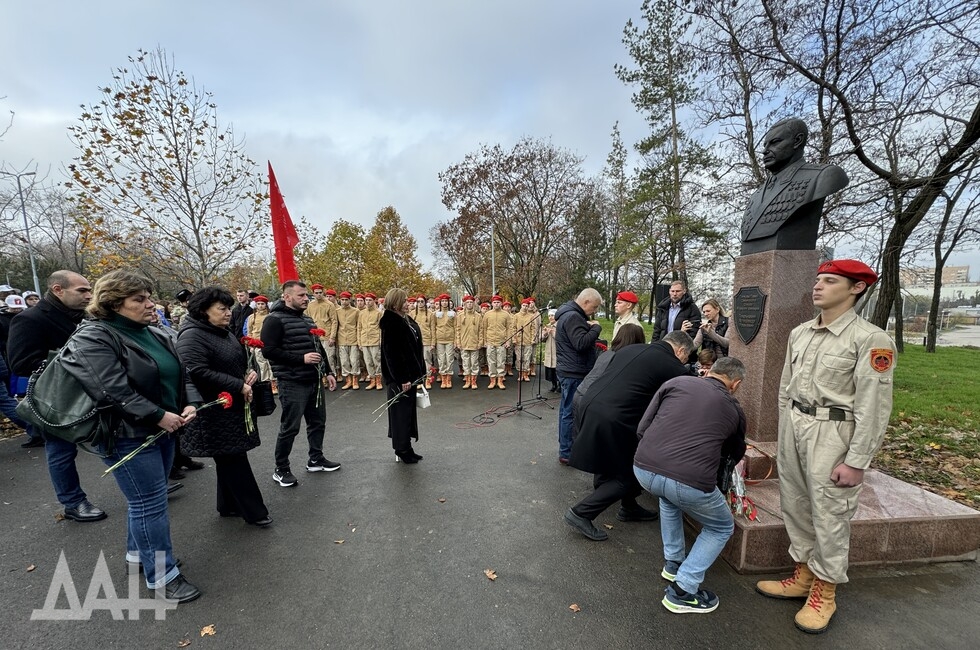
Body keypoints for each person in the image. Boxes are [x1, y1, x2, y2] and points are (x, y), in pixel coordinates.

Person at [756, 259, 894, 634]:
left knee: (830, 514)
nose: (818, 286)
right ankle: (802, 576)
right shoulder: (800, 333)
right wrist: (784, 433)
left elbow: (874, 406)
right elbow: (785, 388)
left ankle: (825, 591)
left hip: (834, 432)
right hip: (795, 426)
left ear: (856, 288)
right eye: (818, 280)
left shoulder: (870, 339)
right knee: (796, 504)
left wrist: (857, 460)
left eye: (830, 281)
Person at [60, 269, 202, 602]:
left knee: (145, 501)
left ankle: (138, 557)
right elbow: (111, 390)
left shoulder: (154, 332)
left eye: (149, 297)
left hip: (163, 429)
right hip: (127, 435)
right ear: (113, 303)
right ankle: (163, 578)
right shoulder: (93, 336)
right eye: (139, 299)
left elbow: (182, 374)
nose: (150, 304)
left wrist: (190, 403)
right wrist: (158, 415)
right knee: (149, 504)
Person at [633, 356, 747, 614]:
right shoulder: (733, 408)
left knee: (668, 499)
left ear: (711, 371)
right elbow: (733, 454)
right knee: (721, 526)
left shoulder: (676, 382)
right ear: (736, 383)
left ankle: (673, 564)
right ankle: (683, 590)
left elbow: (643, 427)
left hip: (643, 469)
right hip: (689, 480)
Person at [564, 331, 693, 541]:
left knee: (608, 460)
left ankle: (629, 506)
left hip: (590, 403)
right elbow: (691, 391)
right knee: (630, 474)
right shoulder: (672, 365)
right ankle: (581, 513)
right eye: (686, 357)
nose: (684, 361)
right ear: (680, 350)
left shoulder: (631, 349)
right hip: (616, 416)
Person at [7, 271, 106, 513]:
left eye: (89, 290)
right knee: (61, 451)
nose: (89, 295)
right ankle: (73, 502)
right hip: (57, 399)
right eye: (82, 290)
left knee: (112, 439)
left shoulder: (88, 316)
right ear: (58, 290)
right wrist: (72, 362)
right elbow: (20, 363)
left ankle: (143, 488)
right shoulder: (30, 319)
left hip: (97, 391)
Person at [176, 287, 271, 527]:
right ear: (203, 310)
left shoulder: (220, 332)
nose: (228, 313)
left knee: (229, 457)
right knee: (233, 460)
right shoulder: (192, 336)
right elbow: (196, 371)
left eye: (229, 308)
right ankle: (255, 512)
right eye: (222, 309)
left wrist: (249, 372)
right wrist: (237, 385)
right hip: (213, 411)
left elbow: (234, 360)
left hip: (230, 408)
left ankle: (228, 505)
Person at [260, 280, 340, 488]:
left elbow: (317, 348)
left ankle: (316, 459)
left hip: (314, 380)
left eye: (306, 295)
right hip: (292, 382)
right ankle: (281, 469)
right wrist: (300, 359)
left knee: (317, 422)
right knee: (290, 427)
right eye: (301, 295)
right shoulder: (274, 320)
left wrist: (328, 372)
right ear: (287, 297)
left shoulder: (306, 319)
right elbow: (268, 351)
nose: (306, 299)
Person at [740, 117, 849, 255]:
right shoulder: (756, 196)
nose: (765, 151)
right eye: (765, 145)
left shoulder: (823, 176)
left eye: (775, 142)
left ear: (797, 141)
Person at [554, 288, 603, 464]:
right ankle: (567, 452)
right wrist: (596, 328)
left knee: (566, 411)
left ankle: (565, 447)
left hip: (569, 370)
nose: (594, 311)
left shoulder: (569, 314)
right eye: (594, 307)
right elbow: (581, 343)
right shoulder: (573, 317)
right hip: (573, 372)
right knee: (571, 413)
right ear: (586, 302)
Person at [379, 288, 426, 463]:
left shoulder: (403, 319)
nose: (408, 303)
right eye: (404, 301)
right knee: (400, 415)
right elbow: (392, 355)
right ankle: (401, 449)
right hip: (400, 379)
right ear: (395, 304)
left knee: (407, 414)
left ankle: (407, 446)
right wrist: (403, 378)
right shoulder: (391, 323)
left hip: (410, 377)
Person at [571, 323, 646, 424]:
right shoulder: (624, 359)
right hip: (594, 401)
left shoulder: (607, 354)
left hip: (580, 393)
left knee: (578, 431)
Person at [481, 295, 513, 390]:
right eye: (494, 302)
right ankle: (492, 380)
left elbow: (509, 328)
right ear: (492, 303)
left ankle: (500, 380)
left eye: (498, 302)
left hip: (501, 342)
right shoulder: (487, 314)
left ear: (501, 303)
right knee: (491, 362)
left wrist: (508, 341)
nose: (496, 304)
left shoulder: (506, 315)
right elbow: (484, 328)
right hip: (490, 341)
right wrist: (484, 341)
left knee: (501, 361)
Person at [245, 295, 274, 385]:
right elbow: (249, 332)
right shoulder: (252, 317)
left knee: (270, 362)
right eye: (258, 304)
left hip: (269, 343)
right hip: (257, 344)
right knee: (262, 363)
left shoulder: (270, 316)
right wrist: (250, 345)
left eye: (262, 304)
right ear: (255, 305)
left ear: (266, 305)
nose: (260, 306)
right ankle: (265, 381)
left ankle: (273, 381)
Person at [455, 294, 483, 389]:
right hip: (464, 343)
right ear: (465, 304)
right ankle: (467, 380)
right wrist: (458, 342)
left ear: (474, 303)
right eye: (468, 302)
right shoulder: (460, 316)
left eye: (471, 302)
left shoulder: (478, 316)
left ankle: (474, 381)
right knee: (466, 363)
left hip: (474, 343)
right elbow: (457, 330)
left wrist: (480, 342)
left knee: (474, 363)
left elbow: (481, 330)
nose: (470, 304)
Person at [357, 293, 383, 390]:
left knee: (377, 361)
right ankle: (372, 380)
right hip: (364, 340)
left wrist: (380, 341)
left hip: (375, 340)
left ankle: (378, 380)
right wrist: (359, 342)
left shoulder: (378, 313)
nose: (367, 302)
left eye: (370, 300)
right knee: (368, 362)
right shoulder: (361, 313)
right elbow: (359, 328)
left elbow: (381, 328)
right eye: (366, 300)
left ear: (374, 301)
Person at [410, 294, 437, 389]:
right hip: (415, 341)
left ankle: (428, 379)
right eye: (418, 301)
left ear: (425, 302)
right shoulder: (412, 314)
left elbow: (433, 329)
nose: (420, 303)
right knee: (417, 361)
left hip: (427, 340)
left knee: (427, 360)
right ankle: (419, 380)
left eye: (422, 301)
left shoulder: (430, 314)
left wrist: (433, 343)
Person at [336, 291, 361, 390]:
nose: (344, 301)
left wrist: (359, 339)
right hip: (342, 339)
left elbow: (359, 326)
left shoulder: (356, 311)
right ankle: (348, 380)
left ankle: (355, 380)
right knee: (344, 361)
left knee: (354, 360)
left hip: (353, 338)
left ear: (350, 300)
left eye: (346, 299)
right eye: (342, 300)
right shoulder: (337, 311)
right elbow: (336, 325)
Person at [433, 293, 456, 388]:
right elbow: (433, 327)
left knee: (449, 359)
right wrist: (434, 341)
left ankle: (449, 378)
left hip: (450, 338)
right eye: (442, 301)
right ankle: (443, 378)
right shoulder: (435, 314)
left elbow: (456, 327)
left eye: (446, 301)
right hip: (439, 339)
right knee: (441, 360)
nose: (444, 303)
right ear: (440, 302)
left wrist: (456, 340)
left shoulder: (453, 314)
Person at [514, 298, 539, 382]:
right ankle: (520, 374)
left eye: (526, 306)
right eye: (523, 305)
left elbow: (533, 329)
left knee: (527, 358)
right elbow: (513, 328)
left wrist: (532, 339)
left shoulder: (531, 316)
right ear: (521, 306)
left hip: (528, 340)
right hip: (518, 340)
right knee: (519, 358)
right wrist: (514, 339)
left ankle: (525, 374)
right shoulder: (516, 316)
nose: (525, 307)